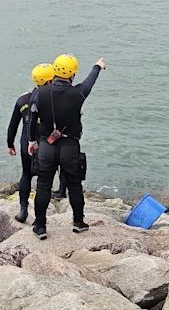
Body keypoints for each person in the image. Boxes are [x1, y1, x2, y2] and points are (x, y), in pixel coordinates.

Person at [28, 54, 106, 239]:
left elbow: (32, 120)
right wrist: (97, 66)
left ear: (54, 70)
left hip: (46, 145)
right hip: (70, 146)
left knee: (43, 186)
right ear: (72, 74)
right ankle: (78, 223)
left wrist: (32, 141)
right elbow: (90, 82)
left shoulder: (40, 93)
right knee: (75, 185)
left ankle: (40, 226)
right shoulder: (78, 93)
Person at [7, 63, 54, 223]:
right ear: (50, 80)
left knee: (26, 174)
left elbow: (13, 125)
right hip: (45, 144)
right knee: (43, 179)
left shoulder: (22, 100)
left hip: (25, 142)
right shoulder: (53, 100)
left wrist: (10, 144)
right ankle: (40, 218)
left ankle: (23, 210)